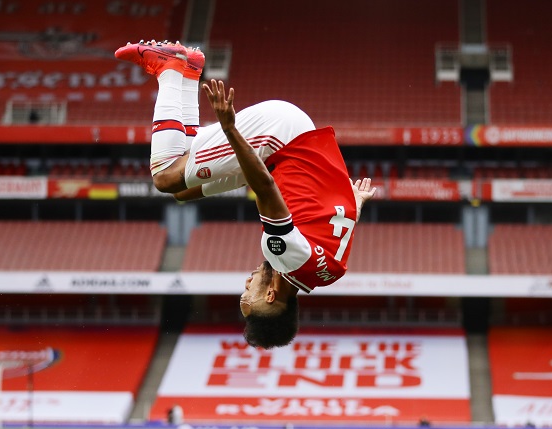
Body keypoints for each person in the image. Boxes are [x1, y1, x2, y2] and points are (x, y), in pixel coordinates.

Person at [115, 41, 376, 348]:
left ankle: (189, 70)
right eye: (248, 293)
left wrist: (356, 202)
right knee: (165, 176)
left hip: (286, 150)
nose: (247, 283)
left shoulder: (328, 275)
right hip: (278, 138)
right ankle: (169, 69)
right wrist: (230, 130)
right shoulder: (282, 254)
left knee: (183, 191)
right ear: (270, 295)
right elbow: (263, 186)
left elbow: (342, 229)